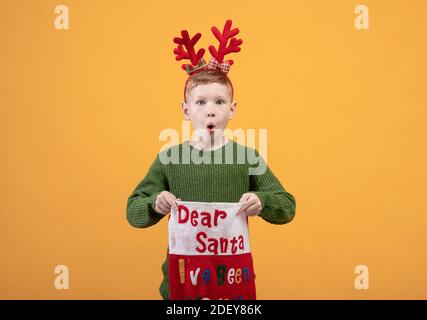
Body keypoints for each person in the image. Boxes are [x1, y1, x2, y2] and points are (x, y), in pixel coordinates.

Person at [126, 20, 296, 300]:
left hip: (233, 284)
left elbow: (287, 207)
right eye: (201, 102)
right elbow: (133, 211)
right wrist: (154, 204)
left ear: (232, 109)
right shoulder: (170, 158)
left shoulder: (246, 157)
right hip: (181, 285)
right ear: (185, 109)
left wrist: (263, 202)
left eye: (219, 102)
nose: (210, 111)